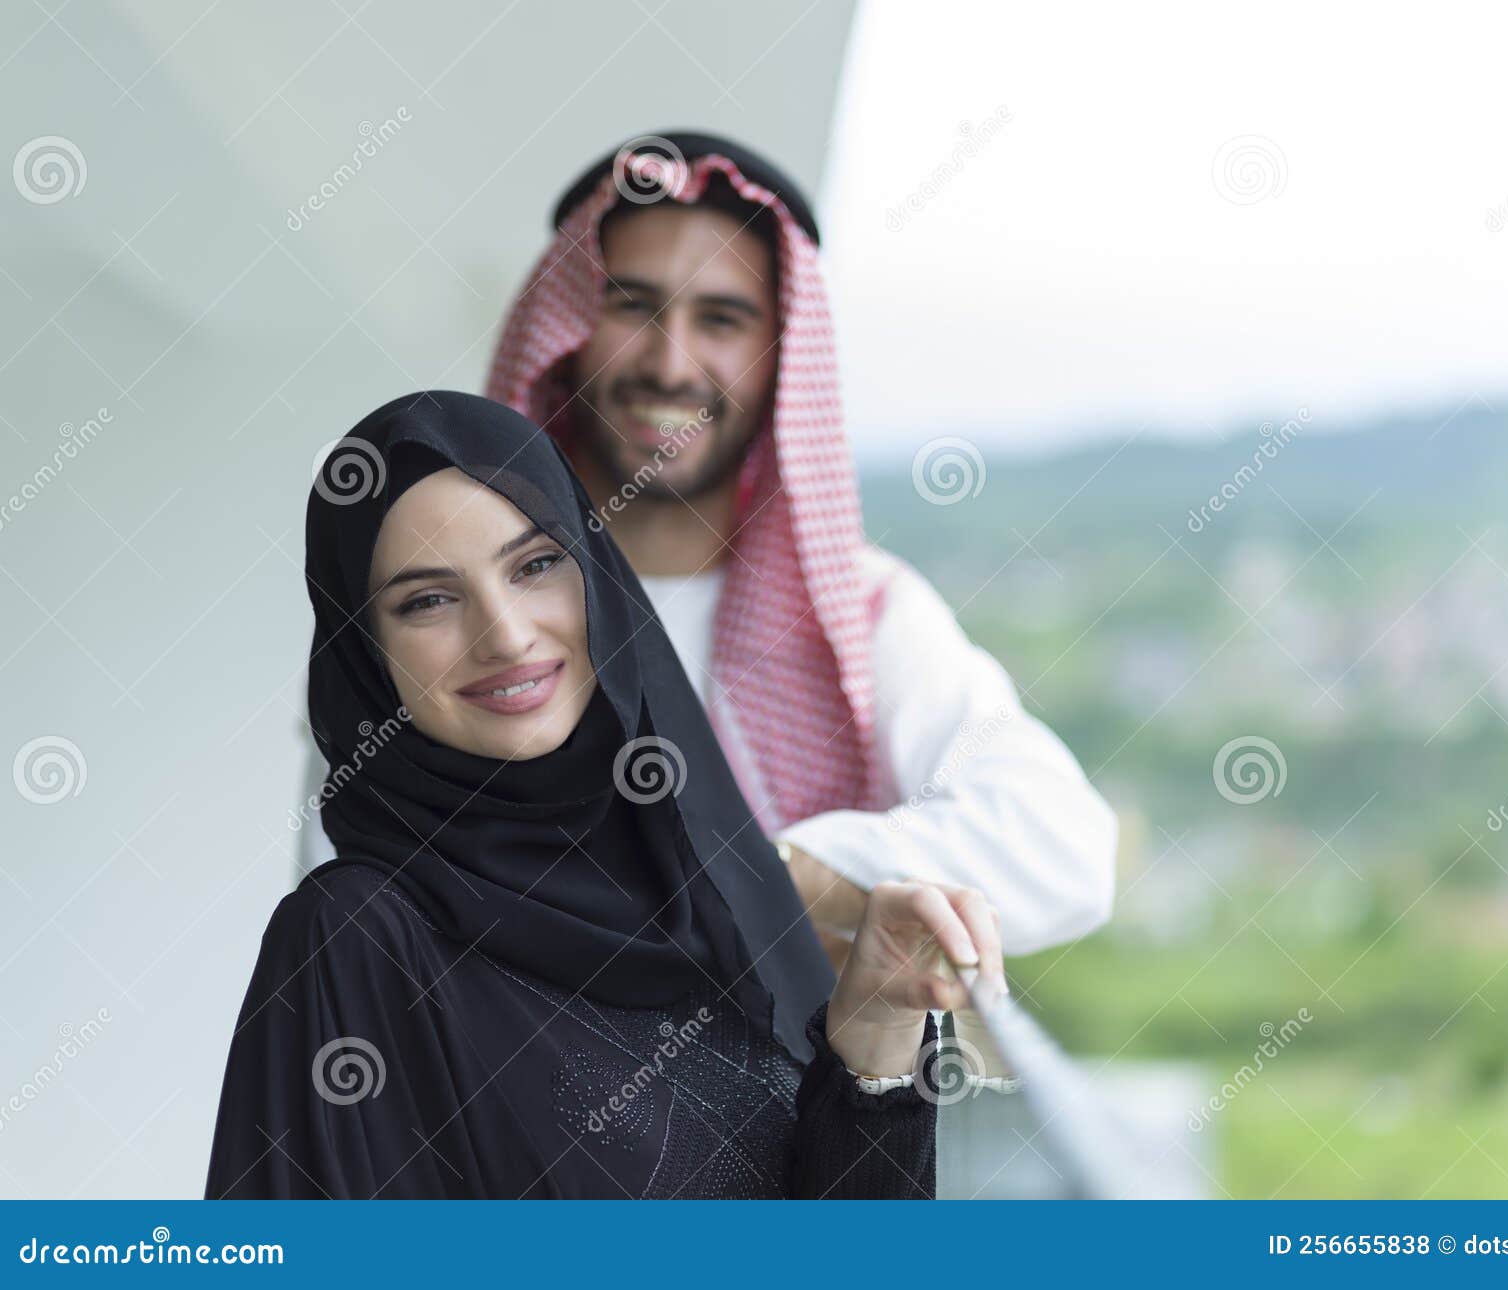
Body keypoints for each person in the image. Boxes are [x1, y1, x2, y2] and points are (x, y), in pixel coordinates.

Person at [298, 131, 1116, 965]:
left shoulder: (862, 611)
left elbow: (1063, 852)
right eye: (632, 305)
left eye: (721, 318)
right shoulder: (458, 614)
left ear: (781, 356)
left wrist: (758, 879)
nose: (669, 363)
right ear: (567, 326)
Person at [208, 392, 1005, 1200]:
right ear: (366, 656)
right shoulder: (356, 942)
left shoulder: (699, 886)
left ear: (594, 574)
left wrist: (873, 1042)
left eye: (535, 565)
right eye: (428, 600)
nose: (507, 635)